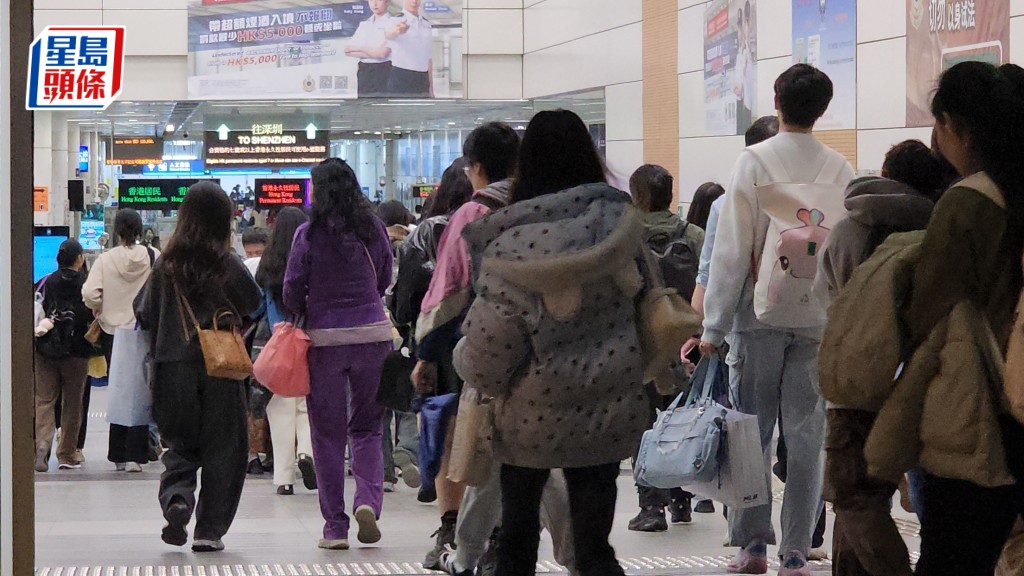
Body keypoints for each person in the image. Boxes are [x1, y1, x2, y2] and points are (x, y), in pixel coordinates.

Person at [453, 109, 648, 576]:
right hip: (608, 408)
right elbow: (650, 310)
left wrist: (462, 360)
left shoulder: (511, 245)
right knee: (595, 547)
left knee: (517, 541)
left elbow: (488, 354)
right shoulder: (622, 229)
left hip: (528, 418)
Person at [700, 64, 855, 576]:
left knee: (754, 432)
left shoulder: (754, 161)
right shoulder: (840, 167)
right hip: (816, 315)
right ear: (823, 109)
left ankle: (752, 547)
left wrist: (713, 327)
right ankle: (795, 550)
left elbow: (731, 249)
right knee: (808, 437)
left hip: (755, 315)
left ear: (777, 100)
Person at [901, 61, 1024, 576]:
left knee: (952, 556)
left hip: (977, 408)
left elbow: (931, 315)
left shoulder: (967, 202)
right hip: (1017, 397)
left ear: (954, 126)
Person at [814, 140, 956, 576]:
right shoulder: (939, 229)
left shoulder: (850, 229)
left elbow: (827, 298)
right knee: (868, 494)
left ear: (885, 174)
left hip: (855, 387)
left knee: (853, 493)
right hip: (916, 382)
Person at [410, 122, 522, 571]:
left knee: (463, 438)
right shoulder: (541, 204)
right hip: (538, 349)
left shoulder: (473, 213)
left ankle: (454, 534)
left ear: (475, 167)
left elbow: (448, 290)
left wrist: (423, 353)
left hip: (474, 345)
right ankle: (507, 536)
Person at [134, 182, 262, 553]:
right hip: (221, 368)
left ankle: (177, 499)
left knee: (179, 444)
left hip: (173, 368)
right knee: (226, 449)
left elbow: (143, 314)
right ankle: (209, 530)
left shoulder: (165, 265)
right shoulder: (227, 263)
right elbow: (254, 302)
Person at [283, 158, 394, 550]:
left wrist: (308, 307)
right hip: (372, 337)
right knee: (367, 428)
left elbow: (292, 289)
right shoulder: (374, 228)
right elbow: (384, 278)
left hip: (325, 343)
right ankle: (368, 501)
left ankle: (335, 527)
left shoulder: (306, 235)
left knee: (327, 436)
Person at [627, 164, 704, 533]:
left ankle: (650, 506)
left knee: (644, 424)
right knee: (681, 420)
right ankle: (682, 501)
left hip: (640, 342)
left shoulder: (625, 237)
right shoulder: (694, 235)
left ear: (637, 195)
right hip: (688, 339)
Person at [82, 208, 159, 473]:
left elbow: (89, 292)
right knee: (140, 391)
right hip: (143, 331)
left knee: (117, 390)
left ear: (116, 231)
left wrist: (99, 306)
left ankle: (117, 454)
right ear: (140, 230)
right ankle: (138, 455)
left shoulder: (106, 259)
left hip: (112, 332)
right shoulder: (152, 256)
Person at [255, 207, 317, 496]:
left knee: (279, 407)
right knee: (306, 403)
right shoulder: (311, 258)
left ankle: (283, 478)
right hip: (308, 338)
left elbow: (257, 308)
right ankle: (306, 452)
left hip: (277, 342)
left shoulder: (267, 265)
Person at [33, 240, 93, 472]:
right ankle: (67, 453)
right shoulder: (86, 283)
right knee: (72, 402)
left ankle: (42, 446)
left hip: (45, 349)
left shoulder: (46, 282)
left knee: (44, 400)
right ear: (79, 259)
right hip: (77, 350)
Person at [346, 0, 394, 98]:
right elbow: (348, 51)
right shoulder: (364, 24)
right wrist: (374, 51)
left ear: (388, 2)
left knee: (382, 107)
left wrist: (359, 48)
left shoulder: (393, 23)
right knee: (364, 105)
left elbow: (382, 54)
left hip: (383, 69)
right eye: (371, 0)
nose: (374, 4)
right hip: (364, 69)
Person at [386, 0, 433, 97]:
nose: (414, 1)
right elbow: (388, 35)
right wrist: (397, 30)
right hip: (402, 76)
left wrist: (431, 87)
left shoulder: (426, 24)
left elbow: (428, 57)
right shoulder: (395, 20)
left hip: (422, 78)